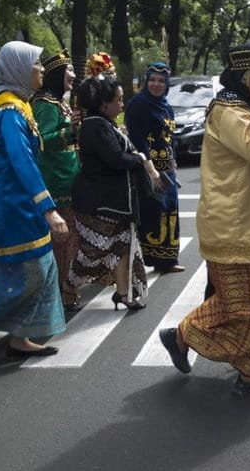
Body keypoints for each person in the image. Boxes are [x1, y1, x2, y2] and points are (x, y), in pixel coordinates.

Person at [157, 40, 250, 398]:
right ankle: (247, 373)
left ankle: (184, 336)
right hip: (231, 228)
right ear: (249, 77)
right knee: (248, 308)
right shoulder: (228, 110)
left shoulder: (242, 106)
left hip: (248, 225)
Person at [0, 41, 68, 361]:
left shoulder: (19, 103)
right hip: (5, 204)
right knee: (24, 274)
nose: (42, 70)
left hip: (18, 200)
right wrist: (49, 209)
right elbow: (22, 162)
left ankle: (21, 337)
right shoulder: (8, 111)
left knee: (43, 266)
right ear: (19, 69)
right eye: (36, 64)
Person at [70, 76, 161, 310]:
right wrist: (139, 158)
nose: (122, 104)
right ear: (104, 104)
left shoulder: (104, 123)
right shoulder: (95, 125)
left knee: (124, 247)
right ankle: (68, 286)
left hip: (116, 202)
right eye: (119, 100)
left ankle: (123, 293)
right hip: (99, 203)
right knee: (94, 251)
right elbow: (115, 159)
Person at [32, 49, 83, 311]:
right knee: (62, 238)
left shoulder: (58, 102)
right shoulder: (44, 104)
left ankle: (67, 286)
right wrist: (71, 131)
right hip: (56, 181)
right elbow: (45, 141)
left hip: (68, 178)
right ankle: (61, 290)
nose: (73, 76)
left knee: (71, 236)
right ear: (55, 75)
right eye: (69, 71)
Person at [125, 62, 184, 274]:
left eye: (161, 81)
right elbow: (138, 140)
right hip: (149, 168)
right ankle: (149, 259)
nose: (156, 84)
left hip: (167, 167)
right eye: (152, 80)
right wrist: (151, 170)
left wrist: (173, 160)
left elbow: (169, 137)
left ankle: (168, 260)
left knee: (170, 210)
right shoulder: (139, 104)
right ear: (145, 81)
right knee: (153, 212)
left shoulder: (165, 105)